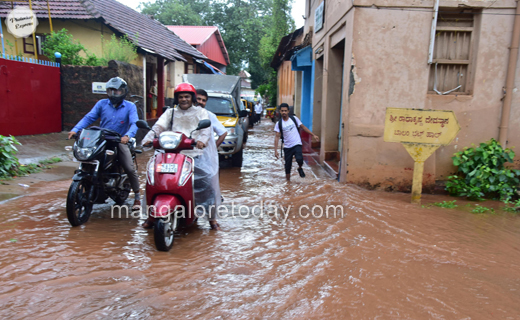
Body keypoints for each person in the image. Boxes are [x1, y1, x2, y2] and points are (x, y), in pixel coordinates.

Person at [141, 83, 221, 230]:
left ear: (192, 98)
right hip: (170, 152)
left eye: (187, 96)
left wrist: (202, 141)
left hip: (193, 154)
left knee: (207, 181)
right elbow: (158, 126)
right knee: (153, 178)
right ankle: (151, 216)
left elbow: (206, 131)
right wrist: (148, 138)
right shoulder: (170, 112)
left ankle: (212, 218)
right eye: (181, 97)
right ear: (176, 98)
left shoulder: (201, 112)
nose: (184, 99)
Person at [68, 77, 141, 209]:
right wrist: (75, 130)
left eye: (117, 91)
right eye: (110, 91)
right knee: (87, 160)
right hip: (101, 139)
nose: (113, 94)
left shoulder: (130, 106)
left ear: (123, 92)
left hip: (119, 140)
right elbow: (89, 117)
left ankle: (137, 197)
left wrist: (127, 136)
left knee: (130, 168)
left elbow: (134, 123)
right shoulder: (101, 104)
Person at [274, 103, 319, 181]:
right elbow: (277, 137)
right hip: (287, 147)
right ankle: (288, 182)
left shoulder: (294, 119)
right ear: (280, 111)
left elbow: (303, 127)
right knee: (287, 166)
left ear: (288, 111)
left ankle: (300, 167)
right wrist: (275, 150)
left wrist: (313, 135)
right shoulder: (279, 124)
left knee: (299, 159)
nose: (284, 112)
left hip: (297, 144)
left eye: (285, 110)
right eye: (282, 111)